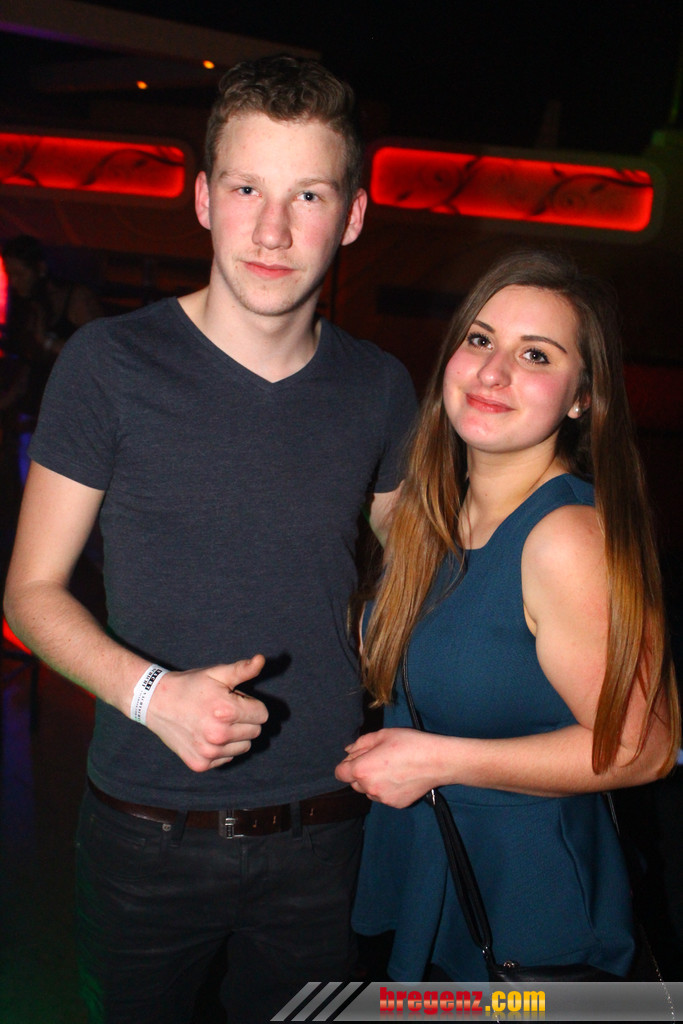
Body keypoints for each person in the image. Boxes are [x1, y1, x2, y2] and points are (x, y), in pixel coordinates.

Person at [3, 56, 416, 1022]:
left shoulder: (379, 387)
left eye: (307, 195)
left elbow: (417, 574)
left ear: (352, 216)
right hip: (146, 834)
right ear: (201, 199)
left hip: (328, 826)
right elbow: (29, 591)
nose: (272, 231)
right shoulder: (109, 365)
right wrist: (152, 695)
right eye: (245, 189)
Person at [336, 249, 680, 981]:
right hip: (433, 882)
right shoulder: (433, 519)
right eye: (480, 339)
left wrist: (440, 759)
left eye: (535, 354)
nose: (493, 373)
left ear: (581, 398)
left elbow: (645, 748)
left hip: (528, 918)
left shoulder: (566, 537)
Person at [1, 234, 103, 484]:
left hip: (69, 419)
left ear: (39, 268)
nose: (14, 282)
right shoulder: (28, 306)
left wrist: (48, 342)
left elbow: (99, 356)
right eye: (10, 274)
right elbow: (29, 366)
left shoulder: (76, 298)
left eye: (20, 273)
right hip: (34, 415)